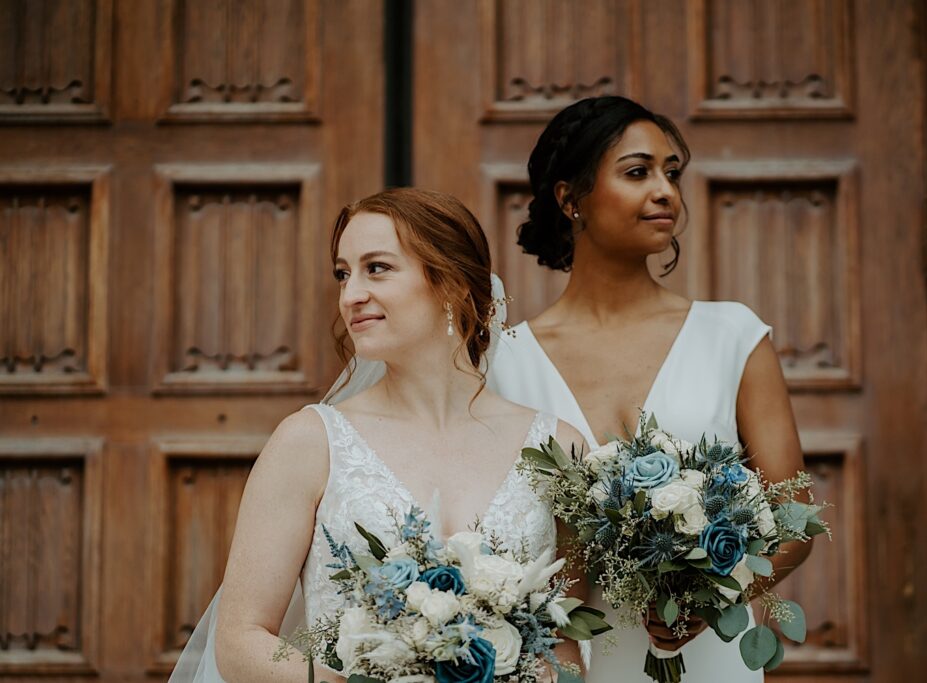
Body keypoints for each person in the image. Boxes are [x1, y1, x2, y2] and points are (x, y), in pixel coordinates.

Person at [169, 188, 586, 682]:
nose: (351, 295)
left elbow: (564, 642)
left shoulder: (557, 446)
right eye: (343, 274)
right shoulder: (309, 443)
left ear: (451, 283)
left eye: (377, 268)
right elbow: (240, 641)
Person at [487, 96, 813, 682]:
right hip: (560, 660)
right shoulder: (502, 361)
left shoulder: (732, 334)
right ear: (569, 199)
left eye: (672, 173)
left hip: (706, 657)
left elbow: (793, 517)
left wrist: (712, 593)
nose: (666, 191)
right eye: (638, 172)